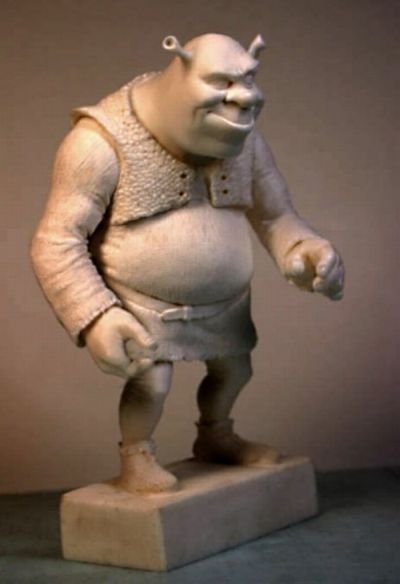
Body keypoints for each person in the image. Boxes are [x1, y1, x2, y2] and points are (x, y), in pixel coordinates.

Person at [31, 33, 344, 493]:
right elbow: (56, 240)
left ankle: (216, 435)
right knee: (151, 385)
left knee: (235, 371)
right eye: (222, 85)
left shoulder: (246, 141)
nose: (242, 102)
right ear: (180, 72)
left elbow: (275, 215)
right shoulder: (99, 143)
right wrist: (95, 315)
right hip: (141, 304)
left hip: (226, 304)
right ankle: (137, 455)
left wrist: (303, 248)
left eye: (248, 85)